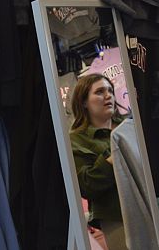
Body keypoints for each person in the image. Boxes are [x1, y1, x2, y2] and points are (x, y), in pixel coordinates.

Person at [69, 73, 126, 249]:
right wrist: (114, 157)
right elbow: (86, 184)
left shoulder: (129, 125)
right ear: (84, 102)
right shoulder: (76, 140)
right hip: (115, 217)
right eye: (99, 92)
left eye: (110, 90)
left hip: (153, 204)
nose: (108, 95)